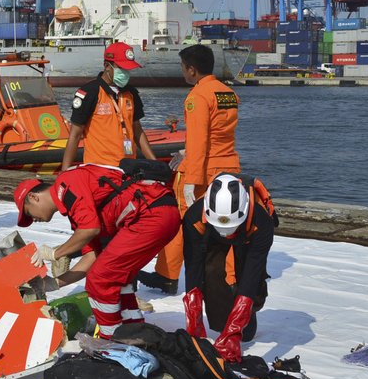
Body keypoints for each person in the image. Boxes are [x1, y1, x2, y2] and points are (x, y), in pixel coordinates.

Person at [14, 163, 179, 338]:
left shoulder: (66, 182)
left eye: (28, 213)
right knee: (116, 279)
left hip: (151, 214)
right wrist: (53, 283)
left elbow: (89, 229)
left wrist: (55, 253)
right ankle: (134, 331)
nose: (33, 220)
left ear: (33, 197)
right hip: (157, 213)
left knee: (100, 279)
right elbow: (90, 258)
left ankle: (112, 341)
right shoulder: (76, 211)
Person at [140, 44, 241, 295]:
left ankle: (167, 275)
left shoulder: (198, 97)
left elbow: (199, 141)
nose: (183, 72)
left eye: (183, 68)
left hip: (202, 171)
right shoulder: (227, 93)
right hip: (228, 168)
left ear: (192, 70)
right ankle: (231, 277)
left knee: (180, 224)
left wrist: (190, 181)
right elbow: (219, 135)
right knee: (227, 225)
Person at [182, 174, 274, 362]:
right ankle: (222, 318)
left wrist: (234, 332)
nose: (227, 233)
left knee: (247, 279)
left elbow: (252, 272)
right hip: (210, 234)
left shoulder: (261, 221)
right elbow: (193, 268)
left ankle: (245, 318)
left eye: (229, 228)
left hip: (247, 235)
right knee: (212, 272)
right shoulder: (194, 217)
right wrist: (194, 323)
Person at [61, 42, 157, 171]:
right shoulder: (90, 92)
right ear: (107, 66)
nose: (125, 72)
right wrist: (64, 171)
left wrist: (155, 164)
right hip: (99, 170)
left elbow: (137, 130)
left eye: (127, 69)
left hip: (127, 168)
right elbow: (75, 134)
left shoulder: (131, 93)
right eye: (121, 68)